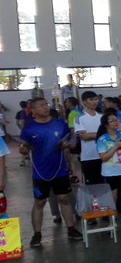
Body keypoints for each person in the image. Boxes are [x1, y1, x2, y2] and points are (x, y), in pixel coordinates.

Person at [19, 98, 82, 246]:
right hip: (40, 172)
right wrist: (23, 150)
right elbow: (23, 148)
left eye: (46, 105)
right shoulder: (28, 129)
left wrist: (66, 145)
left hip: (60, 170)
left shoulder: (60, 124)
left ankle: (71, 229)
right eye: (41, 106)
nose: (46, 107)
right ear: (33, 110)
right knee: (39, 202)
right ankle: (37, 234)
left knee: (63, 199)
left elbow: (67, 142)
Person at [74, 91, 104, 187]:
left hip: (104, 155)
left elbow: (108, 134)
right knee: (91, 186)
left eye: (96, 99)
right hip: (88, 157)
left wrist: (90, 135)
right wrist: (101, 134)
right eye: (91, 100)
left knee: (105, 185)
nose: (94, 102)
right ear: (85, 102)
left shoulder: (102, 117)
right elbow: (84, 136)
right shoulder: (79, 118)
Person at [64, 97, 81, 184]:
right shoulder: (80, 112)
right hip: (81, 138)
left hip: (76, 139)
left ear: (70, 104)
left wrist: (73, 141)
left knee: (68, 156)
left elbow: (73, 129)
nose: (66, 104)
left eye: (67, 102)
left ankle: (74, 175)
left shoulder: (72, 114)